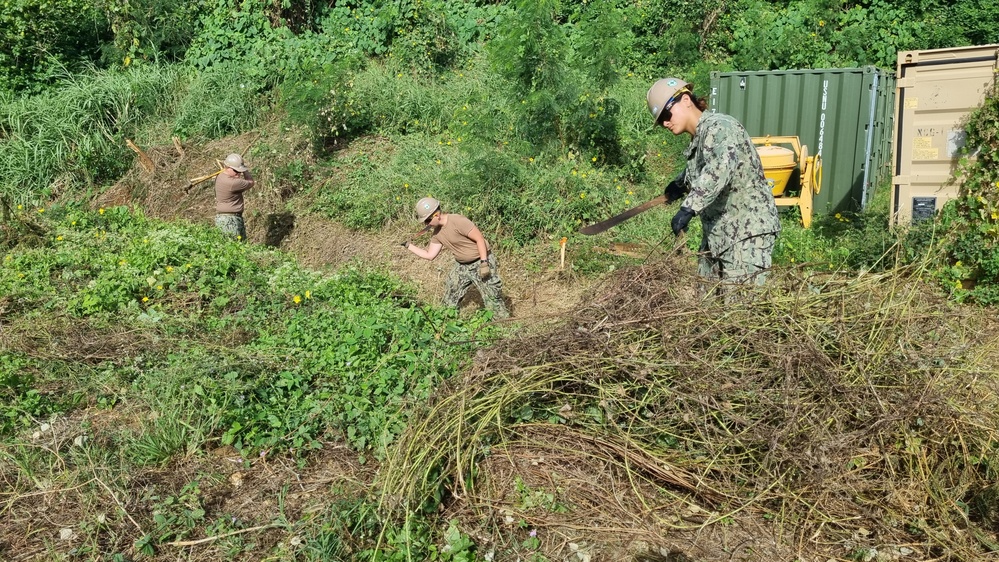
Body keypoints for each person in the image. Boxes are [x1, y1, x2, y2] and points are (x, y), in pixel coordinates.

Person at [648, 77, 780, 291]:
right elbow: (703, 167)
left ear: (685, 100)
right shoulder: (699, 137)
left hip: (745, 235)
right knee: (706, 307)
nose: (664, 122)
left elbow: (719, 168)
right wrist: (679, 184)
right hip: (718, 234)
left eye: (666, 114)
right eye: (660, 120)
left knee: (739, 313)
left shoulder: (720, 126)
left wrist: (689, 206)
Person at [402, 197, 510, 319]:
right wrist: (408, 246)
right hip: (462, 266)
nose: (426, 225)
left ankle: (503, 327)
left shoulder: (458, 221)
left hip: (480, 261)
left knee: (492, 297)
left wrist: (484, 263)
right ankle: (446, 322)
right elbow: (429, 255)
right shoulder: (437, 234)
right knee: (451, 292)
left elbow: (479, 239)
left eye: (427, 221)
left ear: (436, 215)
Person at [214, 153, 255, 241]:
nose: (238, 174)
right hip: (230, 221)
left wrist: (239, 168)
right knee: (234, 248)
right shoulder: (233, 183)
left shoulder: (220, 176)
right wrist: (245, 170)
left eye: (240, 171)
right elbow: (251, 182)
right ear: (228, 168)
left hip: (225, 218)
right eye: (236, 171)